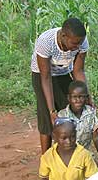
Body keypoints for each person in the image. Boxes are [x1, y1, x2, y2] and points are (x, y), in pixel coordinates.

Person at [31, 18, 90, 154]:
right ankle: (46, 159)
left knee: (69, 112)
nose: (77, 47)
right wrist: (51, 110)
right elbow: (45, 77)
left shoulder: (81, 41)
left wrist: (87, 96)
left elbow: (78, 70)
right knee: (46, 118)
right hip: (41, 75)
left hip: (64, 73)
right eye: (74, 43)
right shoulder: (46, 41)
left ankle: (69, 155)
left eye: (79, 43)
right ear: (63, 36)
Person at [58, 80, 98, 167]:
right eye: (74, 97)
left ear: (87, 98)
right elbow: (59, 142)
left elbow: (95, 137)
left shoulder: (90, 112)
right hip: (67, 156)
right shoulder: (62, 116)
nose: (78, 100)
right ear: (69, 98)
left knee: (97, 171)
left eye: (81, 97)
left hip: (84, 155)